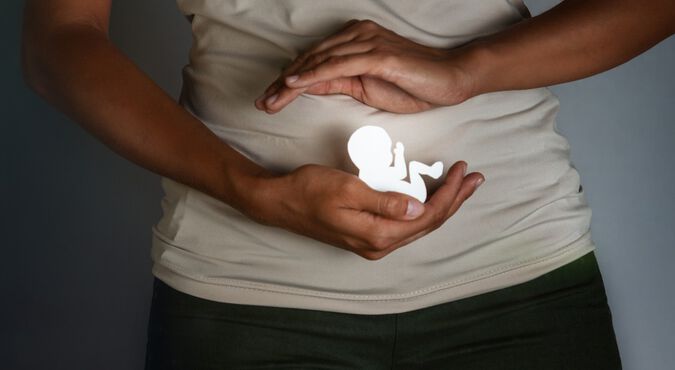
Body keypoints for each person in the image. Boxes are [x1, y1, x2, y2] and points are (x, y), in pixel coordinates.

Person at [21, 0, 674, 369]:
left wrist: (464, 67)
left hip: (517, 286)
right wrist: (245, 184)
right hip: (244, 300)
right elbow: (60, 39)